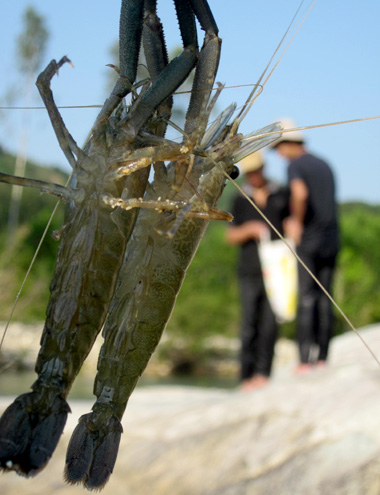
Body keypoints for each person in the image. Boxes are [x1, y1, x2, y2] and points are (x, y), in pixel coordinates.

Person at [271, 118, 340, 374]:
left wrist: (296, 222)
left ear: (289, 144)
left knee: (307, 298)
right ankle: (323, 357)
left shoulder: (295, 165)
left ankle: (304, 360)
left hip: (310, 239)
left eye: (278, 148)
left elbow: (300, 194)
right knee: (326, 297)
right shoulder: (324, 164)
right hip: (332, 239)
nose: (279, 155)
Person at [226, 151, 289, 390]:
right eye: (249, 173)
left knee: (271, 323)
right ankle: (246, 376)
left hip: (278, 271)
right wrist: (249, 229)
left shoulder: (281, 194)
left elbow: (290, 223)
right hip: (249, 269)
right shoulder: (239, 199)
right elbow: (230, 236)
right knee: (249, 322)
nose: (254, 176)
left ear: (264, 168)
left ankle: (264, 374)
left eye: (257, 171)